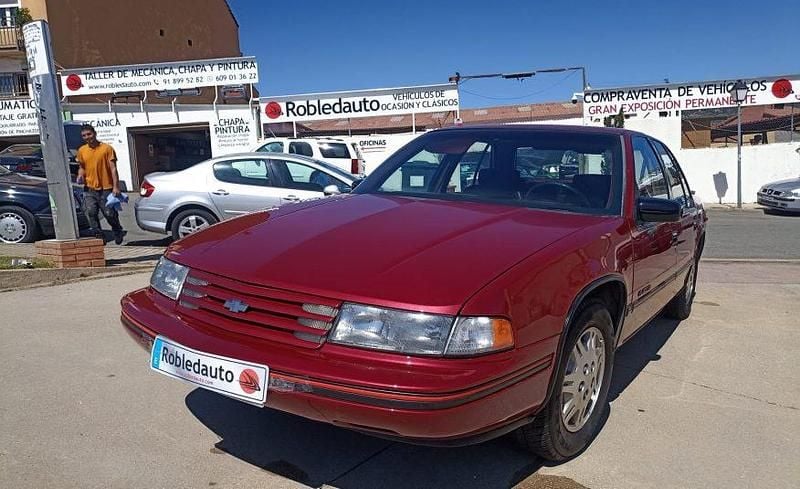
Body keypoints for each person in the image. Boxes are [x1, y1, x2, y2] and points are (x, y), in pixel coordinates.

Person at [76, 124, 125, 245]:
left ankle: (117, 229)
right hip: (89, 188)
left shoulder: (107, 148)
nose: (87, 137)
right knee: (90, 211)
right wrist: (80, 175)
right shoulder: (82, 150)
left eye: (89, 134)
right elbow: (82, 167)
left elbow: (113, 169)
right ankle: (98, 234)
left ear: (94, 133)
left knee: (109, 214)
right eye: (84, 135)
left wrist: (116, 186)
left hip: (106, 188)